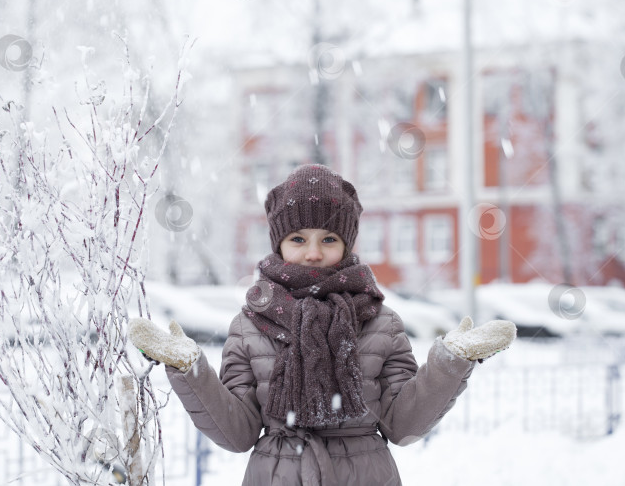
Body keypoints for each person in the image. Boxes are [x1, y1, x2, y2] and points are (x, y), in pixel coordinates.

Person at [129, 164, 516, 485]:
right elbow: (237, 433)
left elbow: (404, 425)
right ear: (278, 243)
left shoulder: (382, 323)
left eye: (328, 238)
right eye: (298, 238)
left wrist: (451, 362)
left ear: (346, 244)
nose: (313, 253)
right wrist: (188, 370)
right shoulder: (249, 326)